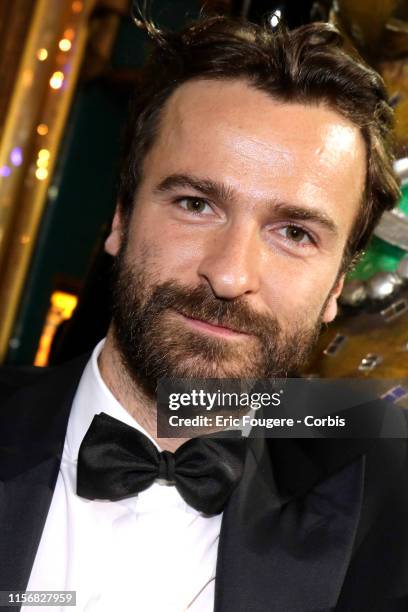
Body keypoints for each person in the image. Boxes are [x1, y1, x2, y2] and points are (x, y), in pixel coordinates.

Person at [1, 10, 407, 612]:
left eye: (295, 233)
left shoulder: (388, 515)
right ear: (120, 217)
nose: (229, 273)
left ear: (337, 287)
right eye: (195, 203)